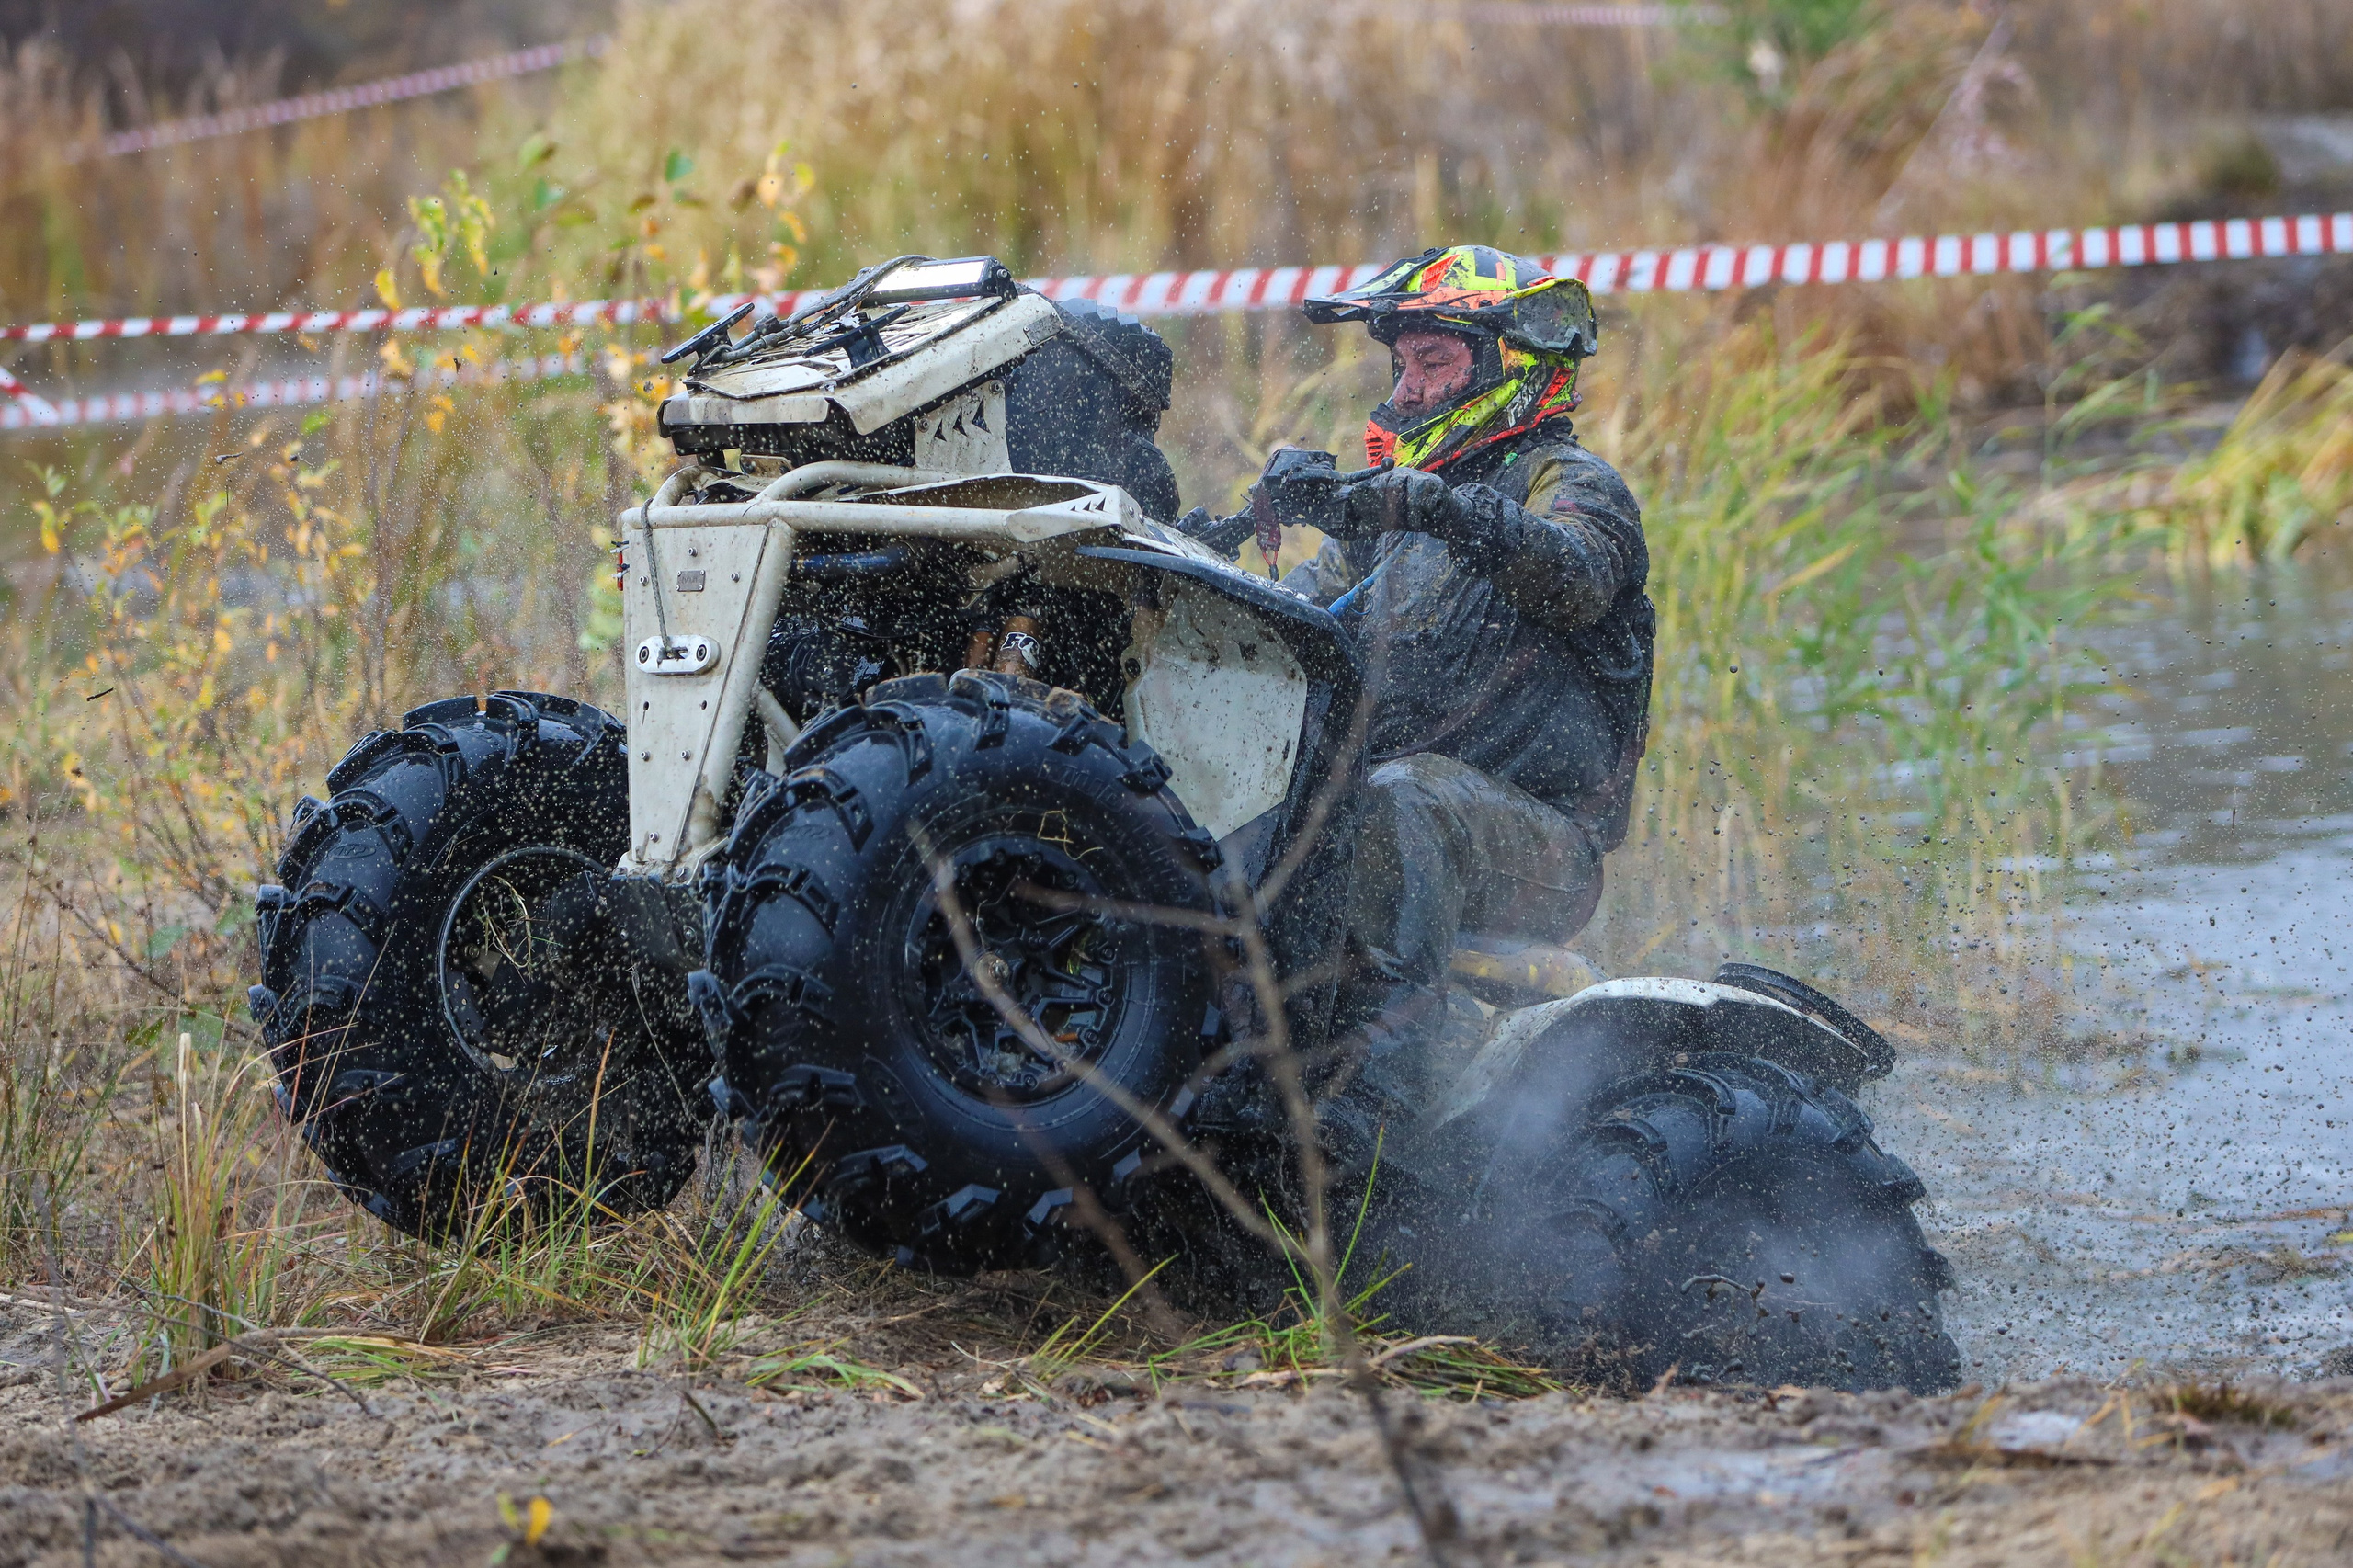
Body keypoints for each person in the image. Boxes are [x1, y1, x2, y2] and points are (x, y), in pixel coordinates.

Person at [1178, 244, 1654, 1171]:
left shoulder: (1568, 482)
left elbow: (1577, 574)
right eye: (1401, 364)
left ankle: (1376, 1110)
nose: (1409, 388)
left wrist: (1442, 509)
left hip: (1541, 846)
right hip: (1384, 822)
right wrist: (1194, 561)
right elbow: (1280, 626)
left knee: (1406, 793)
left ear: (1511, 365)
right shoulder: (1389, 529)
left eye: (1432, 361)